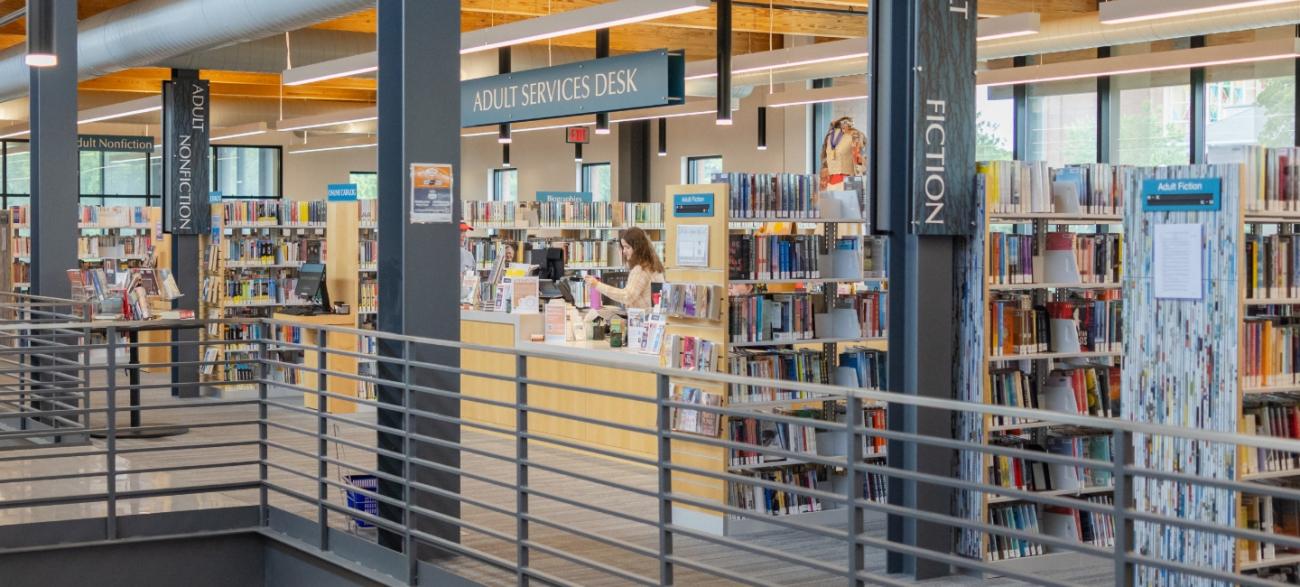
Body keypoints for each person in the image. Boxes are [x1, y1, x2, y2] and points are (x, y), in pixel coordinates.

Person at [585, 227, 664, 311]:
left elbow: (627, 296)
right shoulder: (653, 265)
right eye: (623, 247)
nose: (624, 251)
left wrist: (597, 285)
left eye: (627, 247)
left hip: (641, 319)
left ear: (638, 248)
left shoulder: (640, 270)